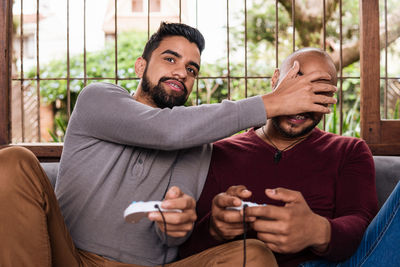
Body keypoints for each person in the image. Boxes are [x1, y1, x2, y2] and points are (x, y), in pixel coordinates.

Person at [0, 23, 337, 267]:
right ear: (141, 66)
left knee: (255, 255)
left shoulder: (199, 145)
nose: (182, 72)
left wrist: (175, 226)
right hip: (70, 257)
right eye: (170, 59)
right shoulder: (98, 98)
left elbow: (171, 240)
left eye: (191, 69)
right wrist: (273, 102)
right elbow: (166, 131)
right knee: (13, 160)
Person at [180, 48, 399, 266]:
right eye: (297, 83)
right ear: (275, 79)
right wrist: (214, 229)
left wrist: (318, 231)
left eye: (320, 91)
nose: (303, 100)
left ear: (331, 98)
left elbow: (363, 227)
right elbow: (186, 251)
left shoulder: (349, 150)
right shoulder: (220, 152)